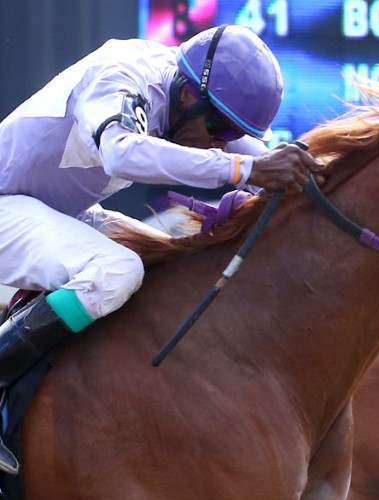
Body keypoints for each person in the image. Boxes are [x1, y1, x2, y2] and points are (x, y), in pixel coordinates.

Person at [0, 24, 321, 474]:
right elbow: (121, 154)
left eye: (230, 135)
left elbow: (256, 153)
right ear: (189, 96)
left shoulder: (189, 94)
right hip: (7, 205)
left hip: (54, 207)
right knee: (117, 271)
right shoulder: (122, 75)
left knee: (165, 262)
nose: (221, 142)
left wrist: (301, 170)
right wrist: (243, 169)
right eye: (220, 128)